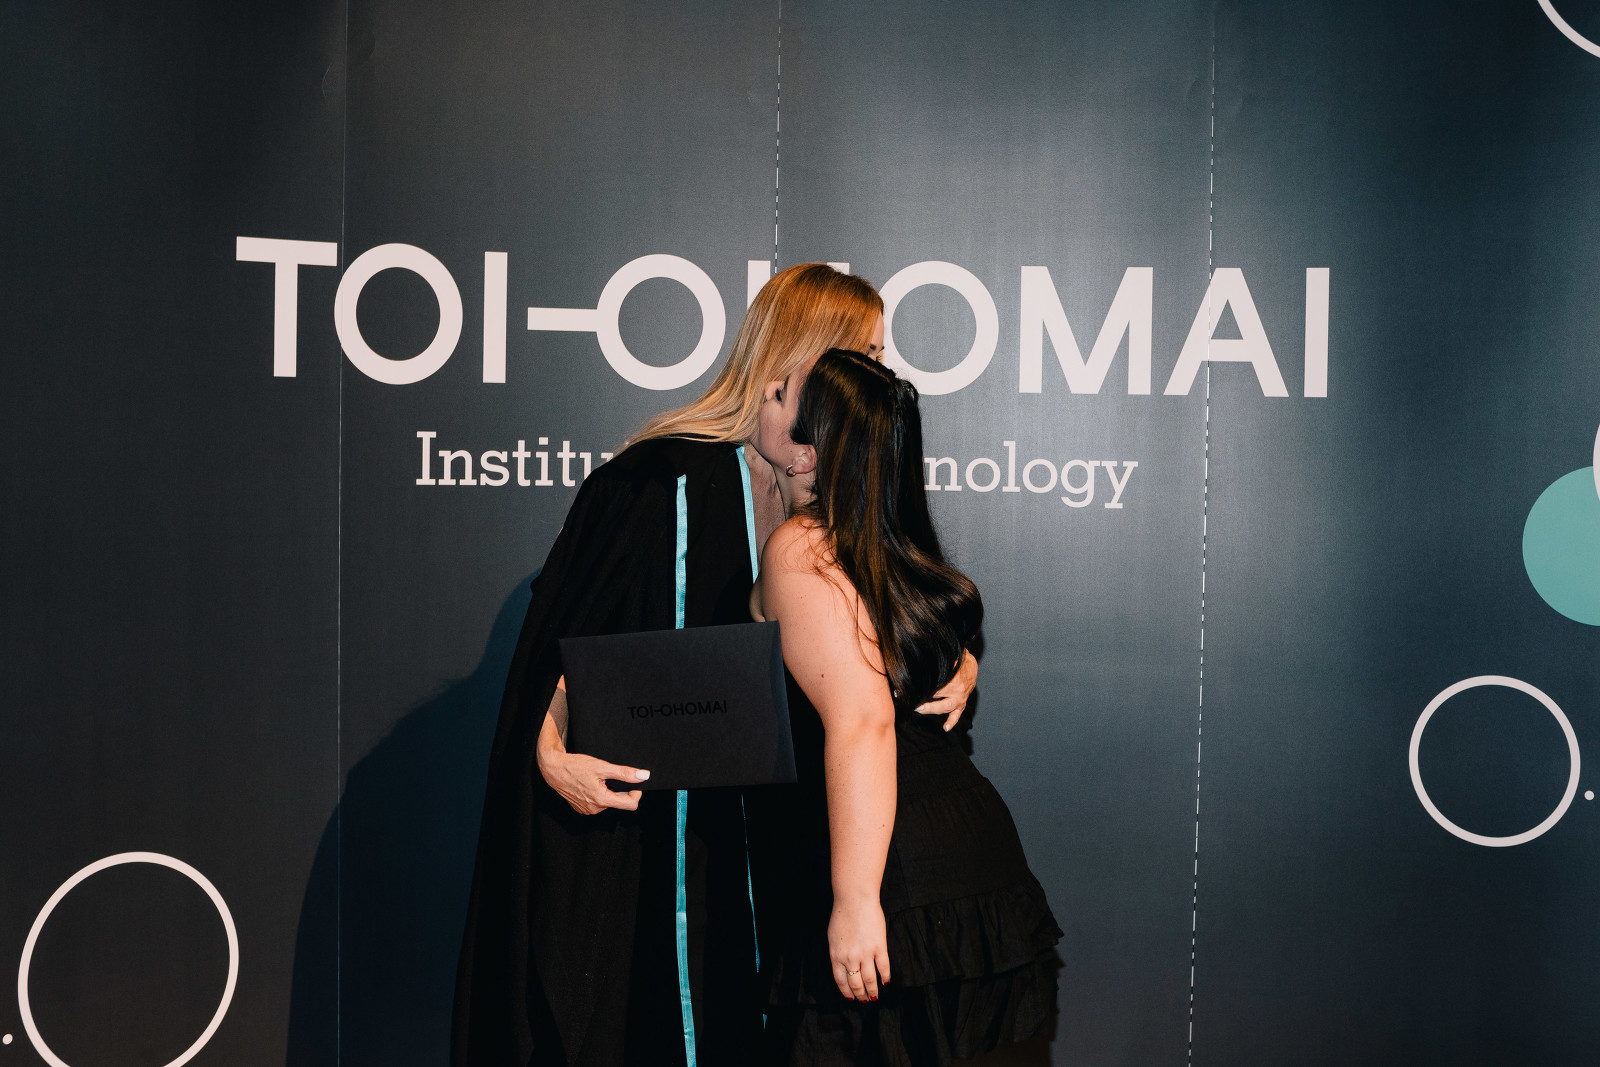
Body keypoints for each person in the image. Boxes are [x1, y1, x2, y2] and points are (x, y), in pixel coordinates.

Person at [452, 266, 980, 1067]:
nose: (868, 376)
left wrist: (955, 662)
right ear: (787, 363)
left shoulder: (849, 494)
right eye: (853, 354)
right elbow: (566, 655)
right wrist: (549, 745)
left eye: (877, 356)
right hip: (672, 857)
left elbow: (897, 626)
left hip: (808, 857)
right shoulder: (654, 486)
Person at [748, 349, 1062, 1066]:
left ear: (807, 452)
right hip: (965, 854)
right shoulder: (886, 540)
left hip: (892, 873)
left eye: (780, 394)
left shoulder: (802, 549)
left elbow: (863, 720)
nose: (763, 395)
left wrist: (857, 900)